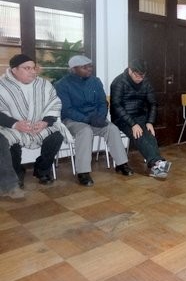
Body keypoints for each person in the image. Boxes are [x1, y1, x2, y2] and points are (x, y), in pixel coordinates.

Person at [55, 55, 134, 187]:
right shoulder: (62, 85)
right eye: (84, 67)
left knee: (112, 128)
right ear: (74, 69)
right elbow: (67, 110)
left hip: (95, 118)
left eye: (90, 66)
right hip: (73, 120)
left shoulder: (95, 81)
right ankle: (83, 172)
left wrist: (101, 117)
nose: (89, 69)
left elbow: (103, 102)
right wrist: (87, 119)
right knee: (85, 131)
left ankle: (121, 164)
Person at [0, 54, 72, 187]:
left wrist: (46, 121)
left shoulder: (43, 84)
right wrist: (15, 124)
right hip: (13, 127)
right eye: (27, 68)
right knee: (7, 141)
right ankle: (17, 174)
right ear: (14, 70)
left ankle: (42, 170)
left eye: (34, 68)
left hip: (40, 125)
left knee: (56, 136)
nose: (33, 72)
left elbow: (54, 103)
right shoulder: (2, 85)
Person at [110, 59, 171, 179]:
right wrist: (133, 124)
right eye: (137, 75)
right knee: (138, 134)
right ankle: (156, 163)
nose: (139, 79)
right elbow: (116, 106)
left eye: (142, 76)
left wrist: (150, 122)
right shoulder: (118, 82)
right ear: (130, 70)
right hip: (122, 118)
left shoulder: (145, 82)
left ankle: (156, 163)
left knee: (149, 133)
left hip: (139, 116)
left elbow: (152, 103)